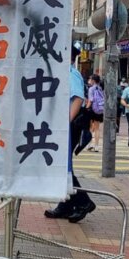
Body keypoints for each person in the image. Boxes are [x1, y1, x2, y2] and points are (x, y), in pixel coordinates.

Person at [45, 43, 95, 222]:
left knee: (62, 167)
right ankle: (66, 204)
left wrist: (65, 122)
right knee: (61, 167)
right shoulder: (62, 72)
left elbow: (77, 98)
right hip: (64, 123)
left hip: (70, 124)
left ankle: (83, 202)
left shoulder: (70, 73)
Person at [85, 73, 105, 152]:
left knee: (90, 128)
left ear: (93, 80)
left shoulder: (91, 89)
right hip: (100, 109)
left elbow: (90, 100)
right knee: (97, 128)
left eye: (90, 79)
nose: (89, 81)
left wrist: (86, 108)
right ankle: (96, 146)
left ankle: (89, 144)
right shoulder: (102, 88)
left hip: (92, 109)